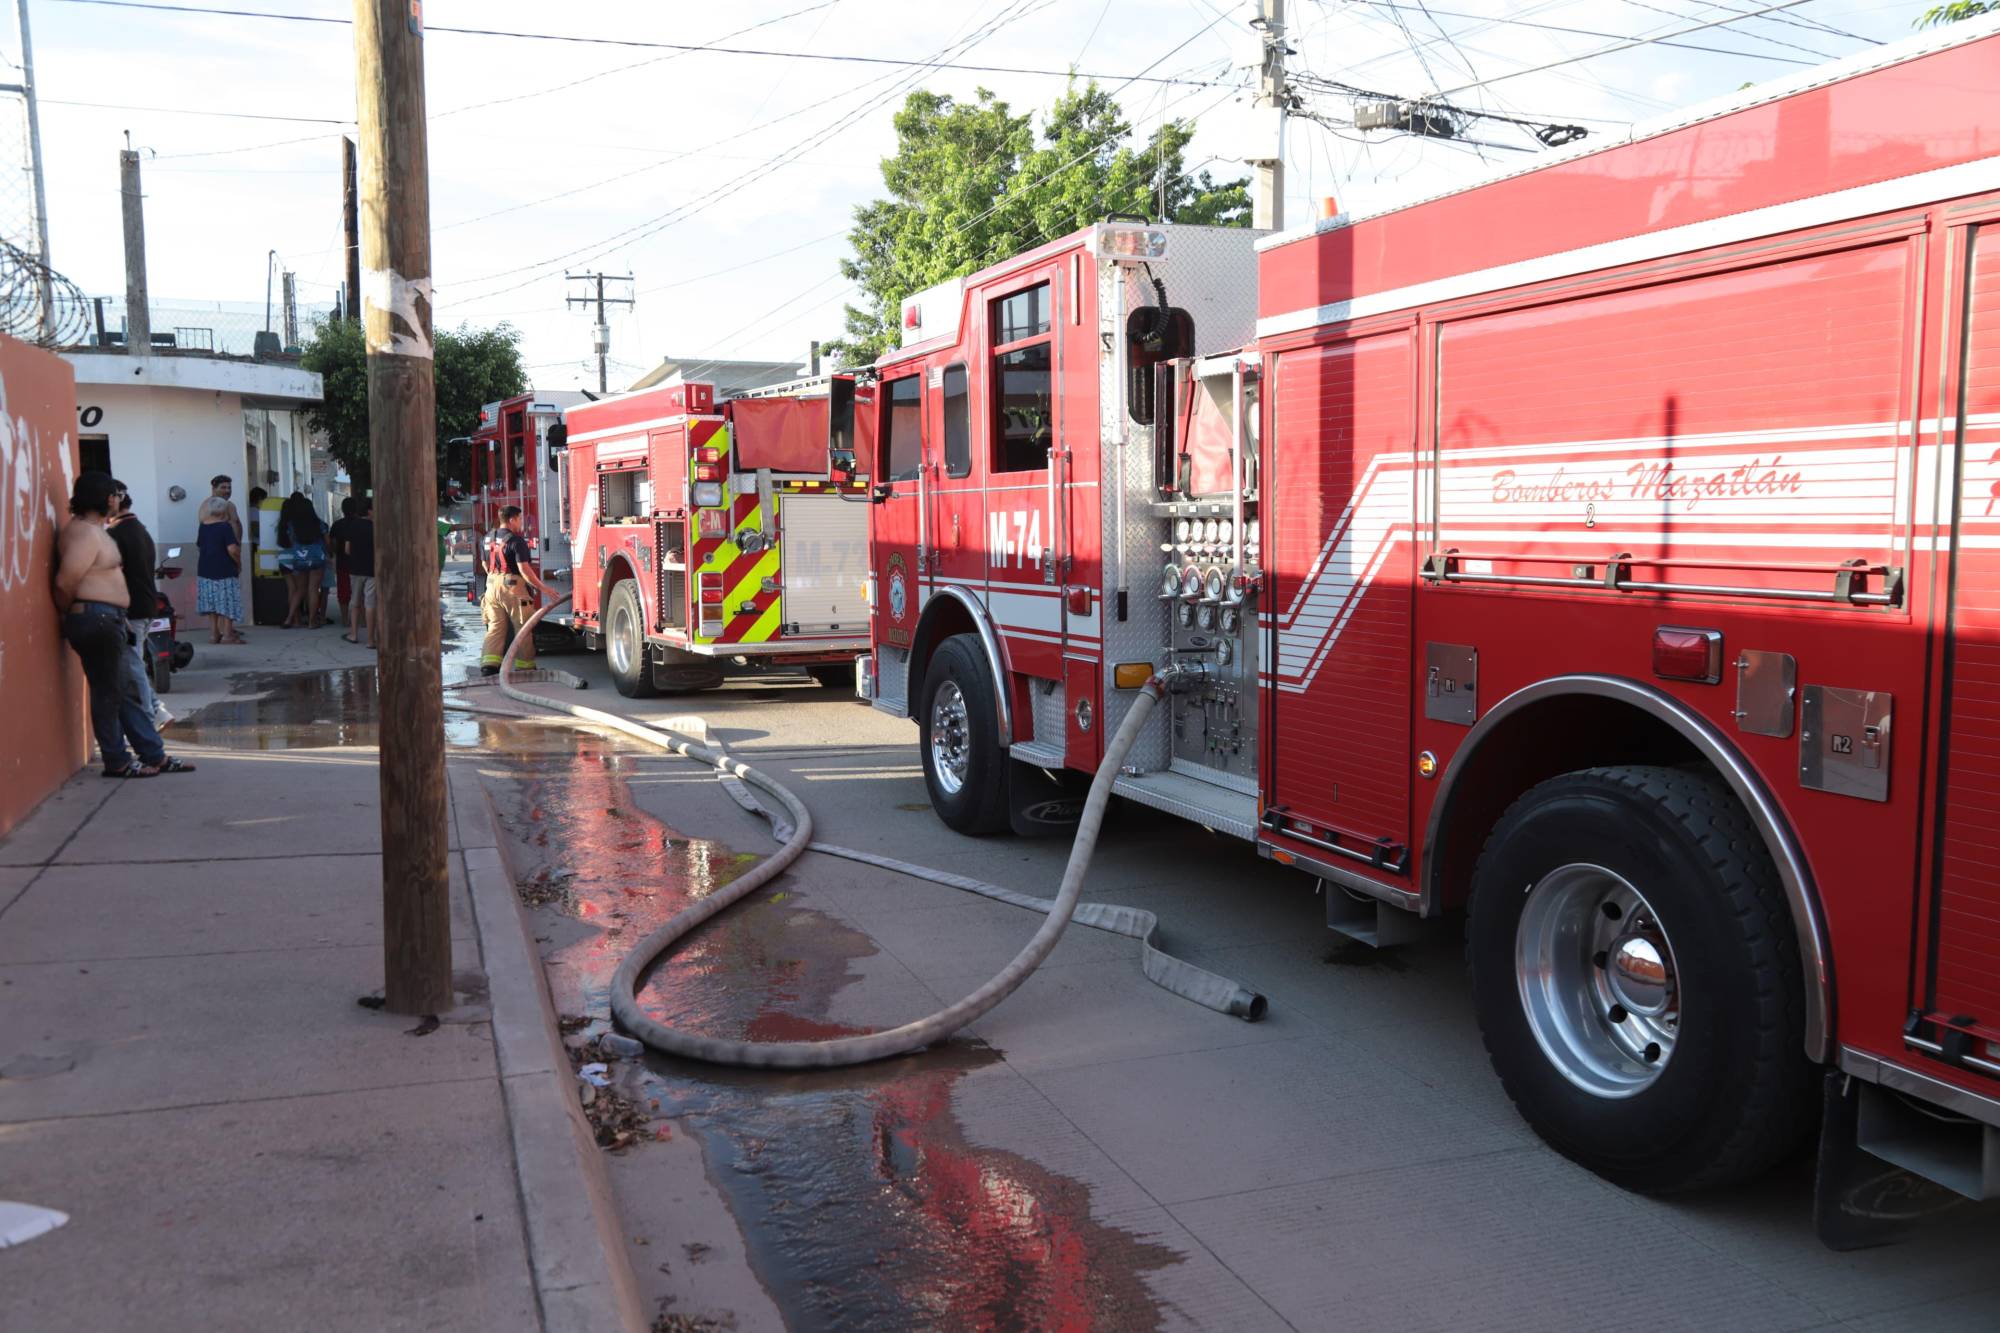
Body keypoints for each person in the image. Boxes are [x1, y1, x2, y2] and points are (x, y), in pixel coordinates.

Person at [54, 472, 192, 778]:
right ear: (104, 498)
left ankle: (152, 754)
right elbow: (66, 581)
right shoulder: (84, 534)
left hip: (111, 618)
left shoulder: (96, 530)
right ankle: (117, 761)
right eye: (114, 494)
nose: (118, 499)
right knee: (108, 692)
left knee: (122, 690)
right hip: (96, 617)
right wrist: (71, 614)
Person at [106, 483, 174, 728]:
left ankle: (149, 717)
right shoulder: (139, 529)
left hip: (131, 609)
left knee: (132, 665)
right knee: (134, 663)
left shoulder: (115, 534)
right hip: (144, 605)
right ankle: (157, 711)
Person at [480, 504, 553, 675]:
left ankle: (489, 666)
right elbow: (524, 570)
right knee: (524, 628)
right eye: (520, 519)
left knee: (495, 627)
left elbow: (484, 563)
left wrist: (496, 579)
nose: (521, 522)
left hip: (491, 585)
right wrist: (543, 588)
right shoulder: (516, 541)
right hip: (512, 587)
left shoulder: (487, 538)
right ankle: (525, 667)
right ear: (512, 519)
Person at [196, 493, 247, 644]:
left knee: (211, 604)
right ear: (223, 511)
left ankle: (214, 634)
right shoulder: (225, 527)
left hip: (205, 570)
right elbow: (232, 549)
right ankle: (228, 635)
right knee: (227, 602)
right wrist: (238, 563)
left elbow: (199, 546)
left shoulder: (203, 526)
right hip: (224, 570)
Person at [276, 491, 328, 628]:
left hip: (299, 558)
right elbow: (327, 540)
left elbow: (290, 541)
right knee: (313, 589)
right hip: (317, 558)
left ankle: (289, 619)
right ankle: (312, 622)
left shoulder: (292, 525)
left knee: (299, 589)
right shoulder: (318, 523)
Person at [342, 496, 378, 649]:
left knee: (355, 602)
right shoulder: (377, 527)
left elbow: (347, 549)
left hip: (356, 569)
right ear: (369, 511)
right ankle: (371, 640)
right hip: (372, 570)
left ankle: (354, 634)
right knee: (370, 604)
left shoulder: (352, 525)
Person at [327, 495, 359, 632]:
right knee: (359, 592)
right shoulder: (362, 524)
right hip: (359, 562)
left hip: (343, 563)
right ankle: (360, 620)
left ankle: (345, 619)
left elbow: (331, 543)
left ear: (343, 509)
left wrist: (332, 554)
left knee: (343, 593)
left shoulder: (337, 525)